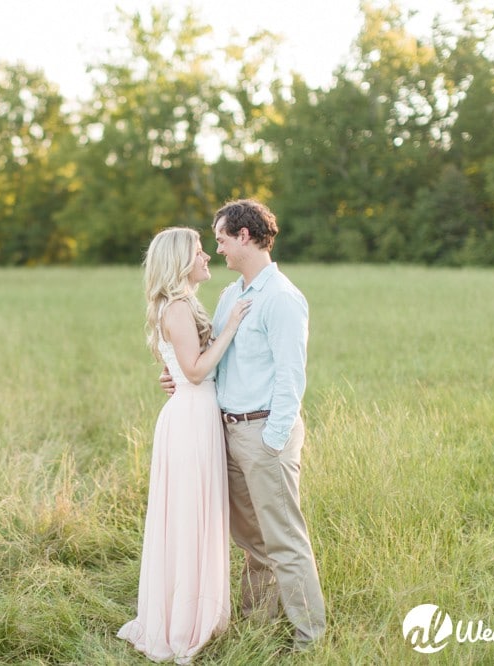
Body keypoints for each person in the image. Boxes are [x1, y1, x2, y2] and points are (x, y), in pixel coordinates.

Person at [161, 199, 327, 652]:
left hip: (264, 434)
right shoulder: (232, 296)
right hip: (227, 431)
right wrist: (177, 373)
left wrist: (272, 442)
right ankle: (256, 623)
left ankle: (310, 637)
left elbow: (292, 378)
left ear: (245, 237)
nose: (217, 250)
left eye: (221, 239)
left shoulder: (282, 299)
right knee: (253, 541)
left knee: (284, 539)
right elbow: (213, 359)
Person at [118, 227, 250, 664]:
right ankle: (184, 622)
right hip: (191, 419)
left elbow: (184, 366)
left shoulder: (181, 304)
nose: (208, 256)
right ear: (180, 262)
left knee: (196, 514)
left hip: (195, 415)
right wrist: (231, 326)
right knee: (190, 516)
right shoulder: (176, 307)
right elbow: (193, 372)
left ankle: (197, 611)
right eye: (199, 252)